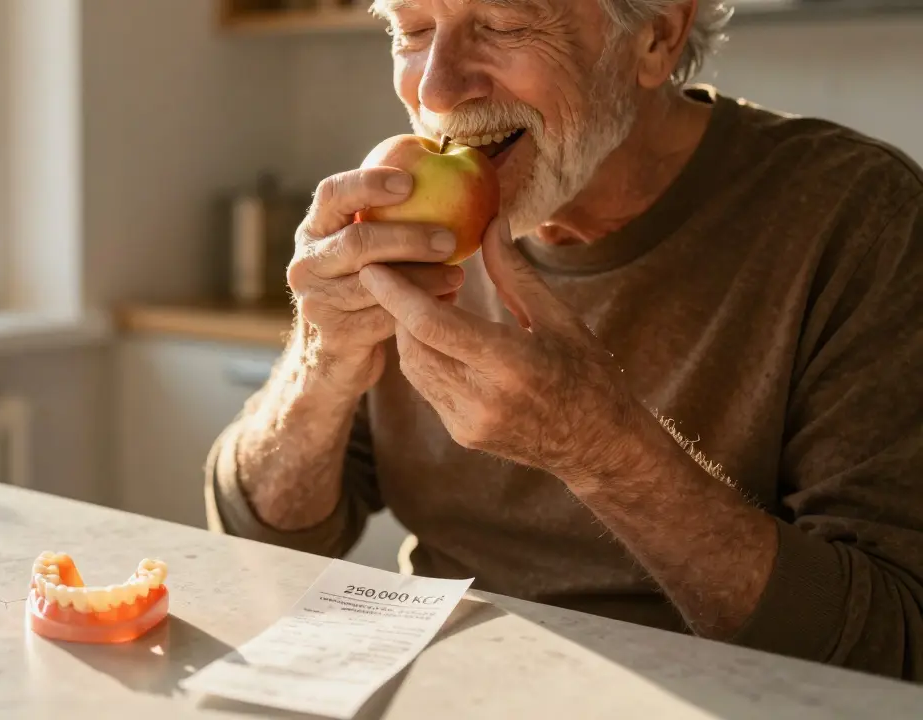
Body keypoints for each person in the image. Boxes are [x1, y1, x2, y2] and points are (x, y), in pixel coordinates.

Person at [204, 0, 923, 681]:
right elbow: (259, 547)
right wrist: (321, 360)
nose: (439, 90)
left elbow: (889, 649)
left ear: (656, 36)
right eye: (412, 28)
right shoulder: (401, 220)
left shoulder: (862, 219)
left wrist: (603, 451)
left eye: (503, 24)